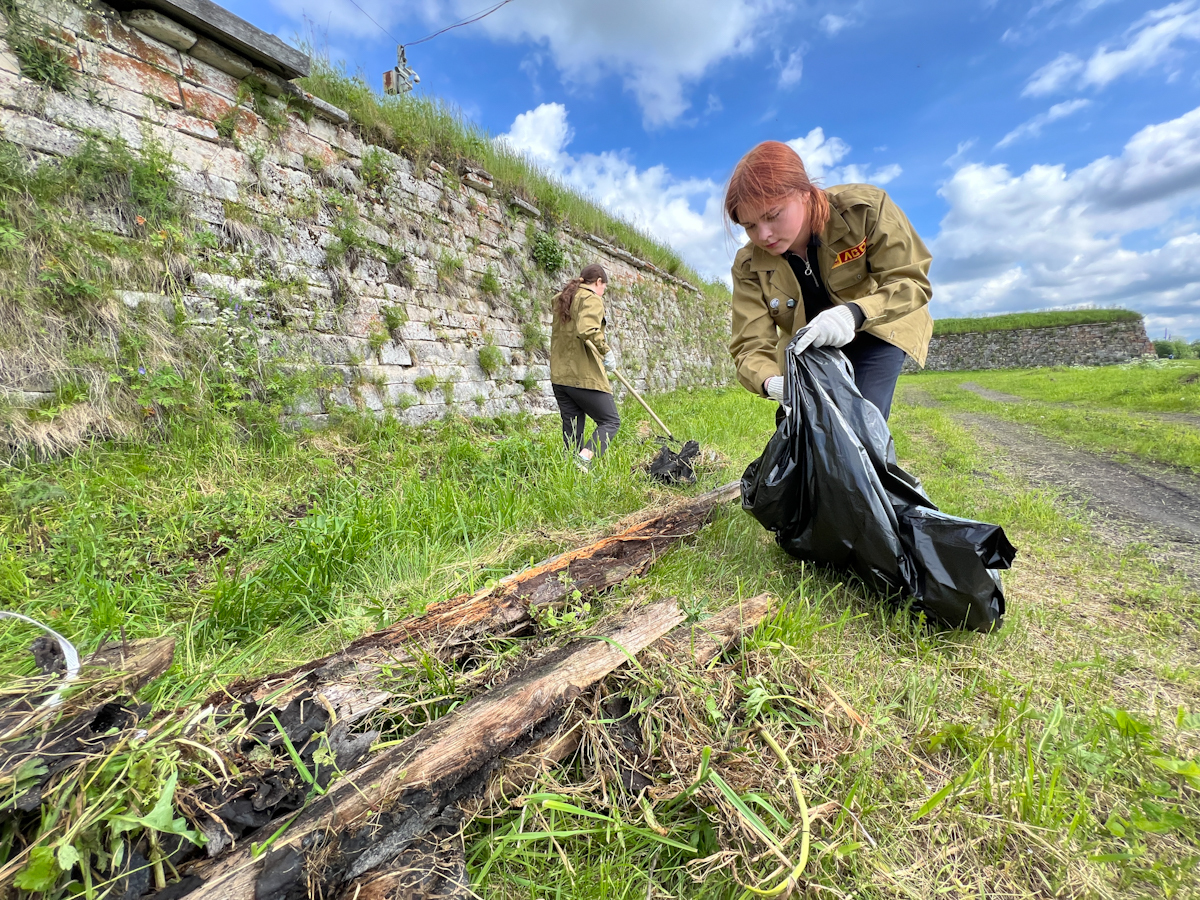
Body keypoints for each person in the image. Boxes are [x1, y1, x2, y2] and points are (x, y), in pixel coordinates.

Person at [726, 141, 933, 421]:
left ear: (804, 192)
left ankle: (868, 463)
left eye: (772, 216)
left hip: (879, 328)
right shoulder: (749, 264)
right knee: (798, 430)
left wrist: (854, 314)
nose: (763, 235)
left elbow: (910, 281)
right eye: (749, 226)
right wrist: (774, 384)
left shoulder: (865, 210)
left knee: (859, 421)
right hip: (811, 346)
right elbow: (750, 343)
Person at [549, 263, 620, 471]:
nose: (603, 292)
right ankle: (585, 459)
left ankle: (571, 475)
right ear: (598, 282)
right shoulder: (591, 299)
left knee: (573, 430)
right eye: (604, 287)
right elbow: (587, 328)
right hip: (583, 376)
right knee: (610, 421)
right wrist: (606, 351)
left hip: (560, 377)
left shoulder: (564, 299)